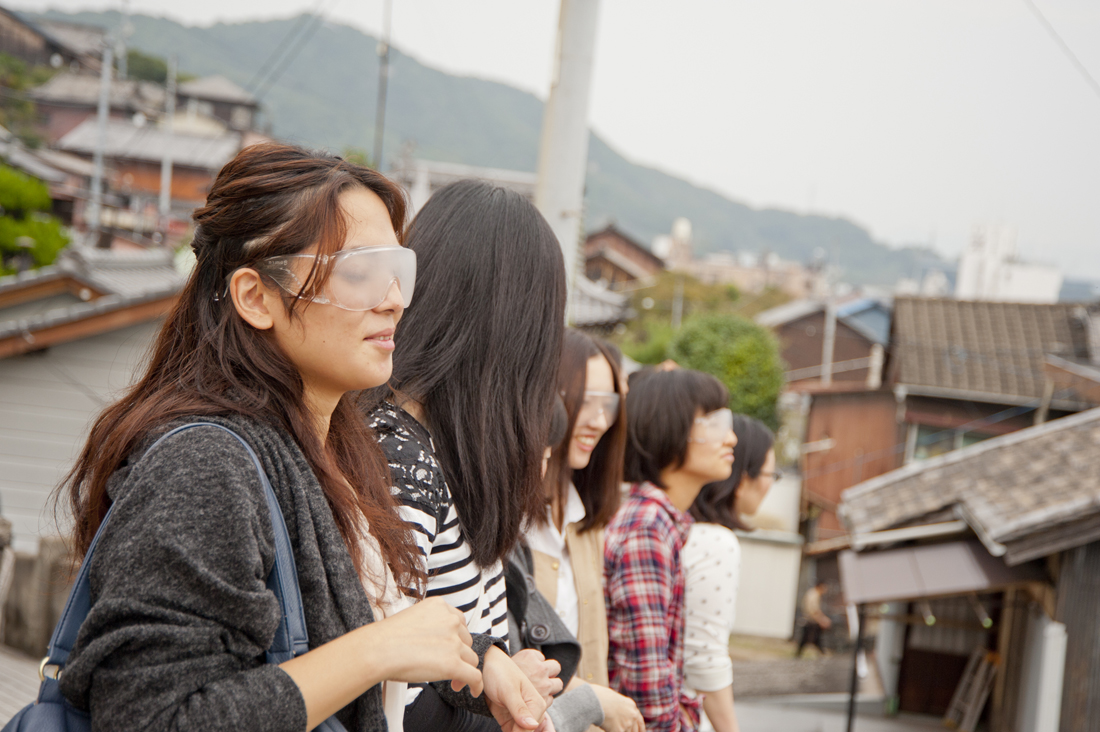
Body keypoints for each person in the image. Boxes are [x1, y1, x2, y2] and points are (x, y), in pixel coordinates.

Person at [54, 143, 547, 732]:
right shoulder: (204, 465)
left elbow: (327, 639)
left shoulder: (335, 446)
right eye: (359, 273)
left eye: (398, 271)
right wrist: (377, 651)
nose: (393, 301)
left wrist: (478, 664)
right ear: (256, 298)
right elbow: (154, 716)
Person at [364, 179, 568, 731]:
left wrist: (497, 665)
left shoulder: (449, 449)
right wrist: (488, 683)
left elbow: (459, 641)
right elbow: (393, 695)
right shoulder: (399, 457)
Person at [605, 369, 737, 732]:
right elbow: (648, 690)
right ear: (669, 428)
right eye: (714, 422)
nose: (732, 437)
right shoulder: (648, 527)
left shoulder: (657, 521)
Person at [527, 330, 644, 732]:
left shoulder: (587, 522)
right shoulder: (510, 521)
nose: (598, 421)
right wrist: (592, 702)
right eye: (585, 401)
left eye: (608, 405)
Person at [683, 415, 779, 732]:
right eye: (770, 473)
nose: (770, 483)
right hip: (680, 713)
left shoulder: (676, 527)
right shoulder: (715, 542)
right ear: (742, 477)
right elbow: (705, 659)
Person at [796, 581, 832, 658]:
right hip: (811, 620)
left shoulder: (812, 593)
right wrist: (822, 620)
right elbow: (814, 610)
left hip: (810, 619)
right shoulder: (814, 595)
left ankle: (799, 654)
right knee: (812, 637)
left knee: (812, 637)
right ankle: (822, 653)